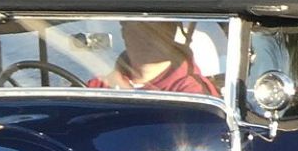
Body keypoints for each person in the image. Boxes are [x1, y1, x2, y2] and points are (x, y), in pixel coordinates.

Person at [87, 22, 220, 96]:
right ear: (124, 33)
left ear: (170, 35)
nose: (144, 39)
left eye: (153, 32)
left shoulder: (192, 93)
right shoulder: (99, 86)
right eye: (136, 30)